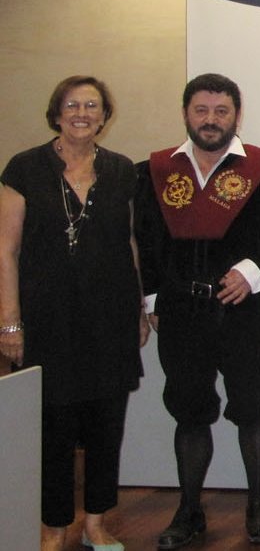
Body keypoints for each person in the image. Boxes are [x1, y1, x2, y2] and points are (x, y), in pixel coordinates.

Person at [136, 72, 260, 548]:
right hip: (182, 311)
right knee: (189, 410)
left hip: (243, 309)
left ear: (236, 116)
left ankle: (259, 507)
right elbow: (147, 241)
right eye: (201, 111)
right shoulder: (157, 170)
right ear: (186, 113)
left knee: (251, 409)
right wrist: (152, 298)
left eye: (221, 111)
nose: (211, 120)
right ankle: (188, 510)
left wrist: (252, 271)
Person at [0, 76, 146, 551]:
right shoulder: (25, 168)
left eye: (92, 105)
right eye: (72, 104)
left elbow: (129, 243)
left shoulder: (123, 170)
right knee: (53, 430)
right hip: (47, 321)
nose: (82, 112)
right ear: (56, 112)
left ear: (104, 116)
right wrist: (9, 320)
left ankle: (97, 523)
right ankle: (55, 526)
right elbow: (6, 249)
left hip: (110, 319)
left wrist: (141, 310)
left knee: (107, 426)